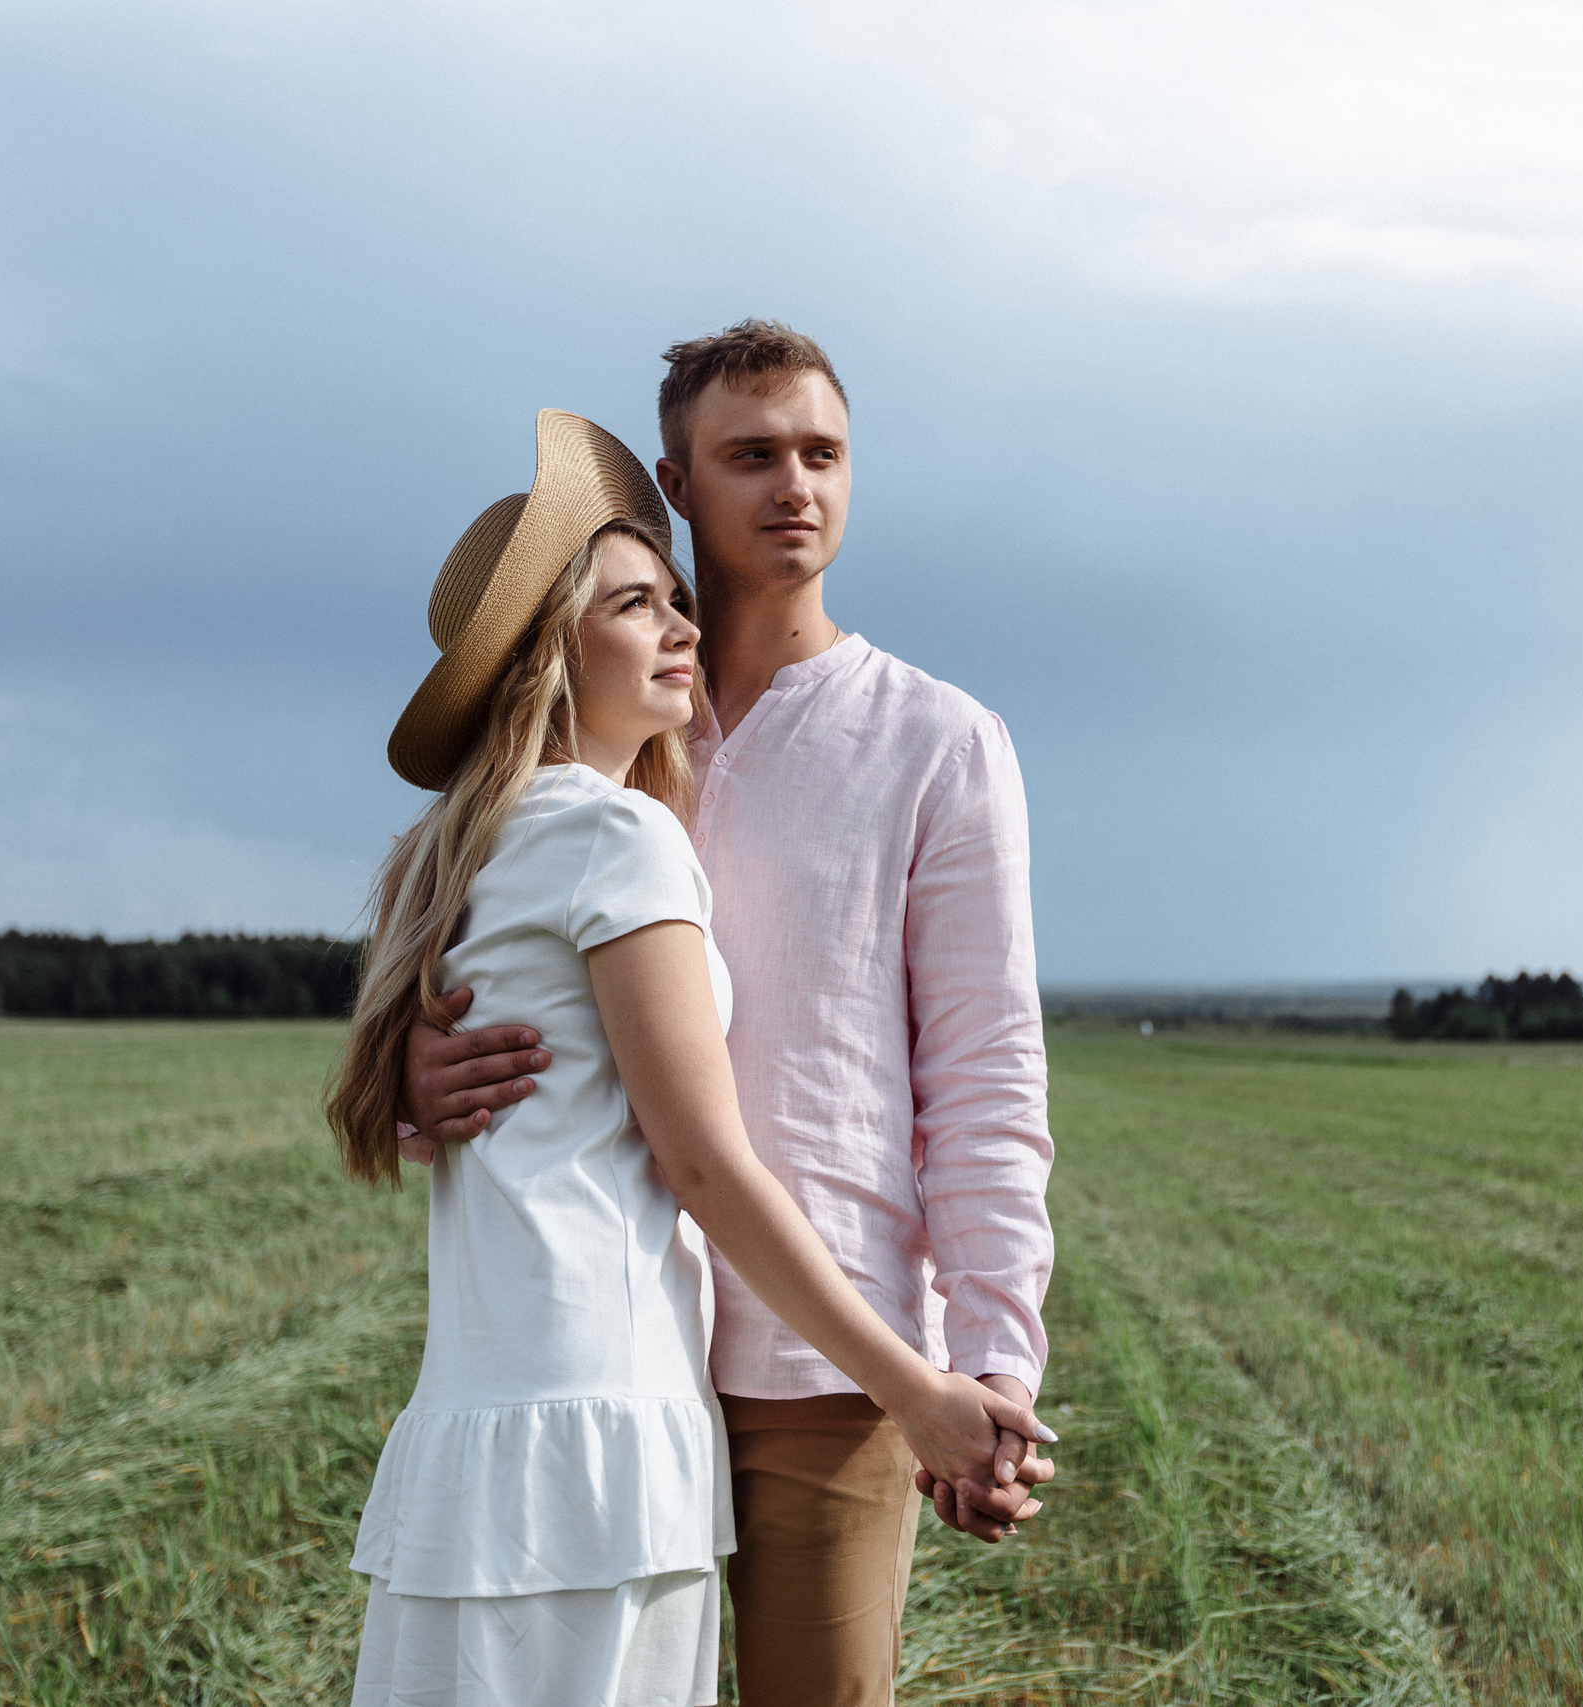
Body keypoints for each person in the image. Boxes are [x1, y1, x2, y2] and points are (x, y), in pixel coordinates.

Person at [329, 409, 1052, 1707]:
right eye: (632, 606)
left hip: (472, 1440)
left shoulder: (459, 858)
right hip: (602, 1438)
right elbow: (706, 1164)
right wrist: (922, 1384)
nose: (681, 627)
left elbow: (421, 1101)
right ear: (552, 650)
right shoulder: (617, 839)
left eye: (675, 598)